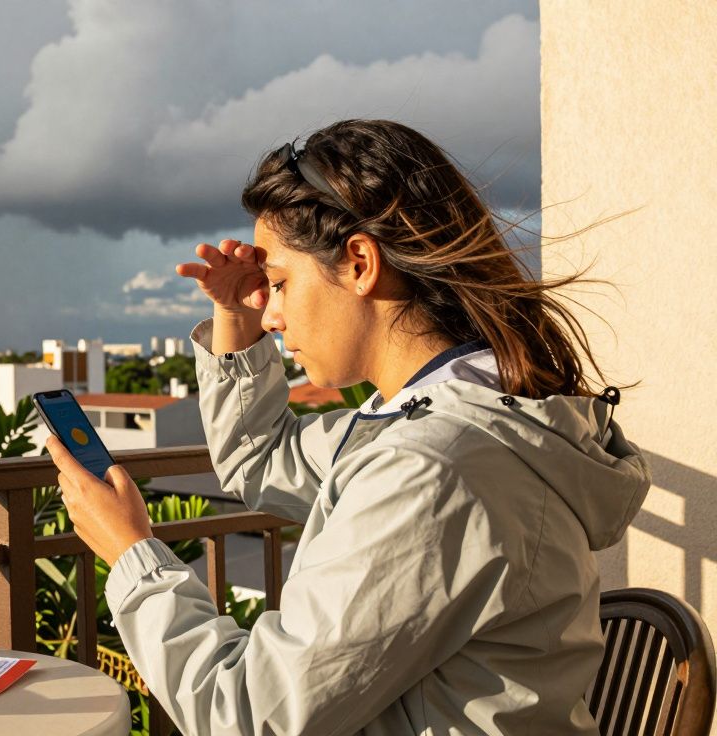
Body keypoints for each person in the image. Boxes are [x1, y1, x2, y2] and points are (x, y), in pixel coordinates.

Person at [45, 118, 650, 735]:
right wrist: (234, 317)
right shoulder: (446, 417)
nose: (272, 314)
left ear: (360, 262)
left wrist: (131, 556)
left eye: (278, 283)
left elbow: (248, 714)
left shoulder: (436, 467)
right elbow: (259, 460)